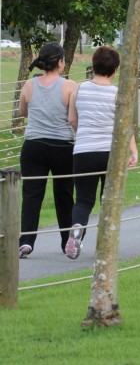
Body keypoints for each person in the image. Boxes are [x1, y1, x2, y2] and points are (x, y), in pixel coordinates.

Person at [66, 46, 138, 259]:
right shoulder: (119, 94)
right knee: (109, 199)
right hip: (110, 152)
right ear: (115, 70)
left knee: (83, 200)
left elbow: (72, 119)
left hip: (83, 151)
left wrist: (87, 133)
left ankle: (77, 228)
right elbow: (126, 127)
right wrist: (133, 151)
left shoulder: (78, 89)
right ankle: (106, 246)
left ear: (93, 67)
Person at [17, 42, 78, 258]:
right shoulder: (70, 86)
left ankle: (26, 241)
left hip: (34, 146)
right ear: (60, 62)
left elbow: (23, 111)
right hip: (62, 146)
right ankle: (66, 242)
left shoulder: (29, 85)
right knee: (64, 195)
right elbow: (73, 118)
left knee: (32, 194)